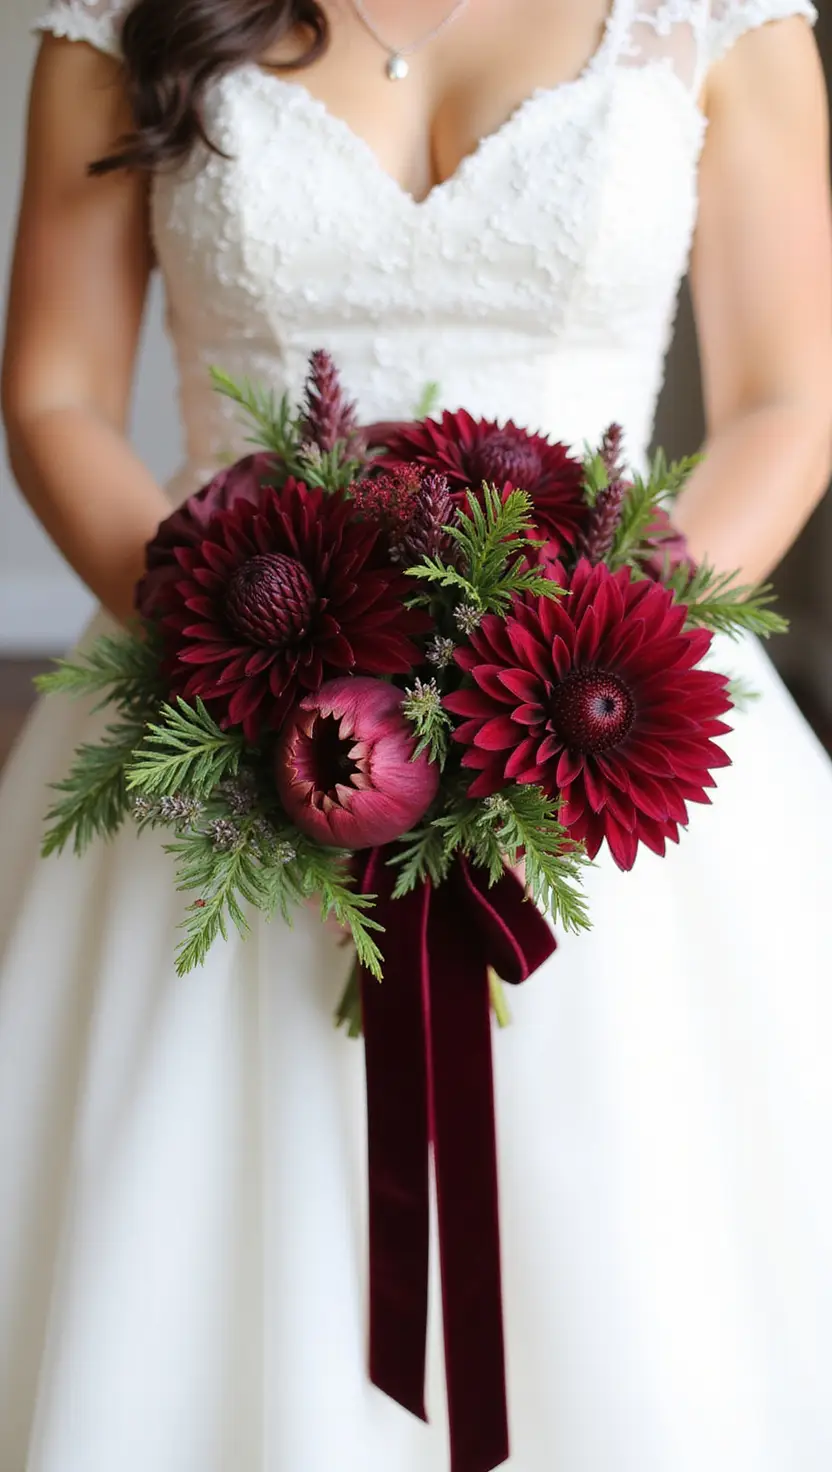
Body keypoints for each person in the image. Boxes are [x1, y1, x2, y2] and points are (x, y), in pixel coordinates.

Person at [1, 1, 831, 1468]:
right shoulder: (120, 17)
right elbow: (55, 390)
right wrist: (236, 659)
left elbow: (784, 399)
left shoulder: (721, 13)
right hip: (221, 714)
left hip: (606, 712)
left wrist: (613, 650)